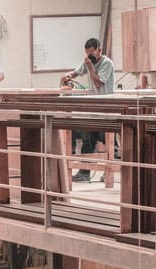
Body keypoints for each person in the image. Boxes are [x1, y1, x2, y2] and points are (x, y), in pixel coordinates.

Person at [62, 38, 115, 182]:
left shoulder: (106, 63)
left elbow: (98, 83)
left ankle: (110, 172)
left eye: (92, 53)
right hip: (93, 108)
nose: (90, 56)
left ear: (99, 50)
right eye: (87, 54)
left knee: (109, 142)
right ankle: (85, 173)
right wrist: (68, 76)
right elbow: (77, 72)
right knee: (88, 139)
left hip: (106, 110)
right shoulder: (88, 61)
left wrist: (91, 67)